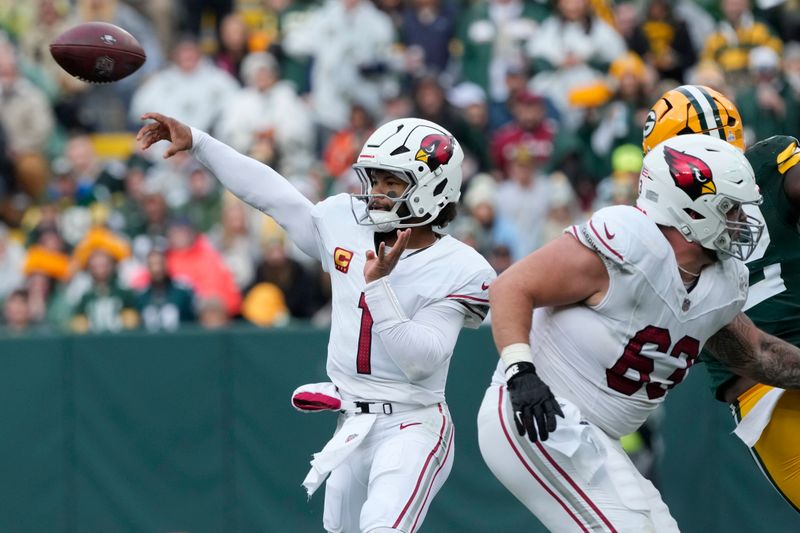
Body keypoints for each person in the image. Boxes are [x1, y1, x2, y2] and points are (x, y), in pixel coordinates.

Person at [137, 112, 495, 533]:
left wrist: (377, 287)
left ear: (433, 189)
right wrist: (199, 142)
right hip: (352, 424)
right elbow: (272, 195)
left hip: (412, 424)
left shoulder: (459, 266)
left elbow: (421, 361)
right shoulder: (346, 222)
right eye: (375, 181)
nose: (377, 194)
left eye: (392, 184)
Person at [477, 132, 800, 531]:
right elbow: (512, 286)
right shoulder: (631, 243)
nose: (742, 221)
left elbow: (760, 354)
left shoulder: (722, 281)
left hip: (599, 439)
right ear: (691, 208)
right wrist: (520, 372)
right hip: (540, 413)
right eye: (731, 208)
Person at [646, 84, 800, 513]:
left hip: (762, 387)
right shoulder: (655, 236)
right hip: (767, 387)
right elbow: (752, 352)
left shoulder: (768, 165)